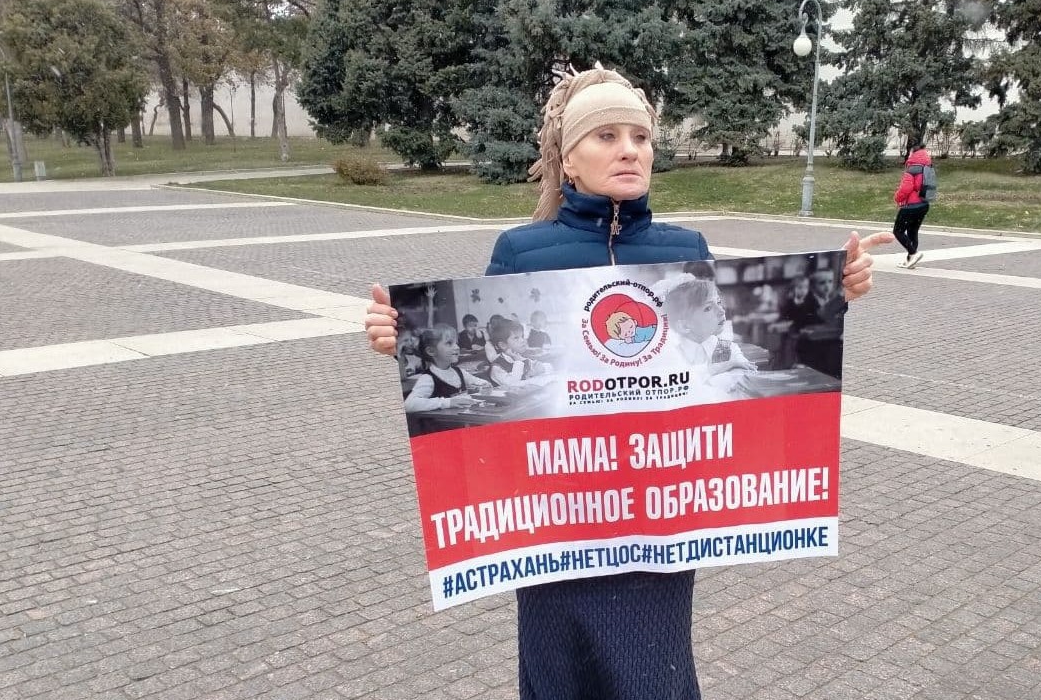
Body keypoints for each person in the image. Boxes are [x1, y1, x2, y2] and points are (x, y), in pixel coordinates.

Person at [364, 66, 893, 700]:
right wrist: (399, 338)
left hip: (656, 517)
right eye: (607, 136)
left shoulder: (683, 246)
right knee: (560, 673)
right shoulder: (521, 251)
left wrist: (837, 288)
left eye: (640, 137)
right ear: (568, 159)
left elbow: (712, 340)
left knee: (652, 675)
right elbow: (486, 362)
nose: (629, 151)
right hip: (556, 517)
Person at [403, 325, 491, 413]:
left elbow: (479, 382)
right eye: (449, 343)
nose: (457, 347)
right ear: (431, 351)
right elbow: (409, 405)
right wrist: (447, 402)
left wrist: (484, 385)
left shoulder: (459, 372)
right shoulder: (428, 378)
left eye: (456, 343)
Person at [893, 143, 933, 269]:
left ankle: (913, 253)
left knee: (898, 231)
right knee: (912, 231)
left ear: (913, 153)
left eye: (910, 152)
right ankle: (910, 261)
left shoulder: (912, 169)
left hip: (911, 206)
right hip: (924, 204)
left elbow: (906, 188)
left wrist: (897, 198)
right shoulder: (927, 168)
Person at [488, 319, 549, 387]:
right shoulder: (497, 368)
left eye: (522, 336)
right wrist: (518, 361)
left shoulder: (522, 357)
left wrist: (540, 369)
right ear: (503, 345)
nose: (522, 340)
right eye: (516, 338)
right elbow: (513, 385)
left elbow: (545, 367)